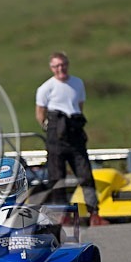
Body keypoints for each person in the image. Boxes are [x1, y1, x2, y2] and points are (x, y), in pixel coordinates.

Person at [35, 51, 108, 226]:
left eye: (63, 65)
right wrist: (49, 128)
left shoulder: (77, 83)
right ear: (51, 68)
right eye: (56, 66)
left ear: (67, 64)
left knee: (85, 174)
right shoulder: (46, 88)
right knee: (57, 176)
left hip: (74, 132)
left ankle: (94, 214)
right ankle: (62, 215)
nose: (61, 69)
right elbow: (39, 113)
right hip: (55, 132)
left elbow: (79, 106)